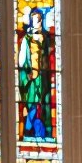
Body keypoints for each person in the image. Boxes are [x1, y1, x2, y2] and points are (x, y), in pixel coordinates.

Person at [17, 7, 53, 140]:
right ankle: (28, 130)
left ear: (41, 20)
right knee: (31, 102)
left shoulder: (46, 38)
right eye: (33, 20)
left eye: (38, 20)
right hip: (30, 77)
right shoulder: (27, 38)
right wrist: (28, 72)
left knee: (41, 102)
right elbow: (22, 59)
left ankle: (39, 131)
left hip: (43, 77)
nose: (35, 23)